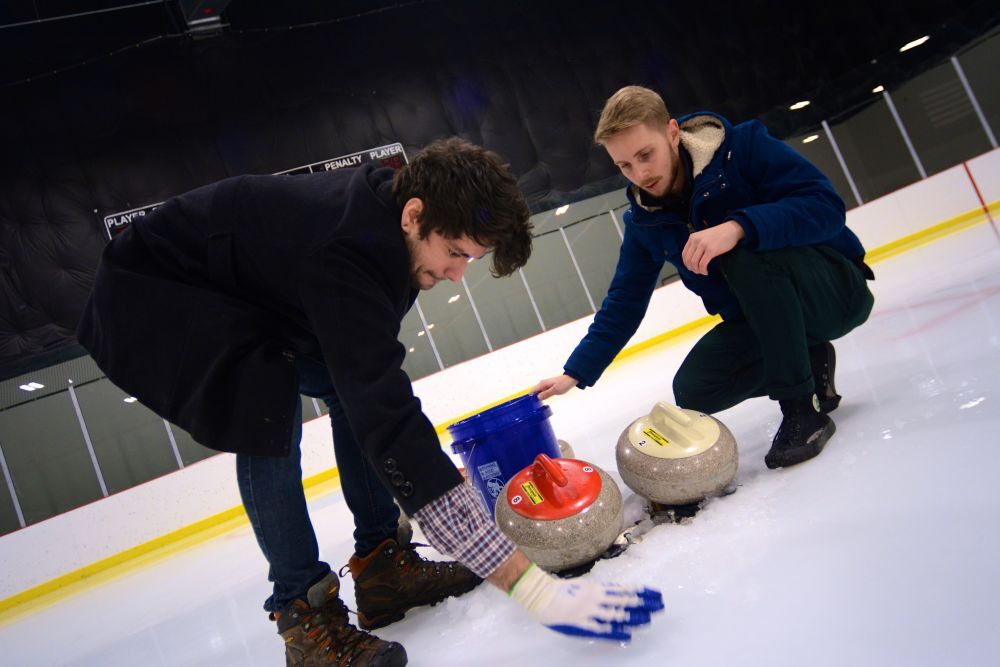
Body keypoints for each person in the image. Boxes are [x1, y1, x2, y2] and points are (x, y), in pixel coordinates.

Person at [77, 137, 663, 666]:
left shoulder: (390, 232)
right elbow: (389, 419)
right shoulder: (345, 255)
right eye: (455, 252)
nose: (457, 275)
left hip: (244, 291)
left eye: (469, 259)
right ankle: (303, 614)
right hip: (152, 295)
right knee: (265, 409)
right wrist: (529, 587)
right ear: (414, 216)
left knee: (339, 386)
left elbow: (369, 388)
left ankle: (382, 565)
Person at [535, 86, 874, 470]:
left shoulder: (742, 148)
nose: (640, 174)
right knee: (696, 389)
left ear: (672, 133)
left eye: (646, 155)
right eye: (625, 166)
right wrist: (574, 372)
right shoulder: (645, 222)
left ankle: (802, 409)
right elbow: (624, 301)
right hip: (766, 319)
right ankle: (809, 361)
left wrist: (740, 227)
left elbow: (825, 207)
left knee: (739, 253)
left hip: (834, 292)